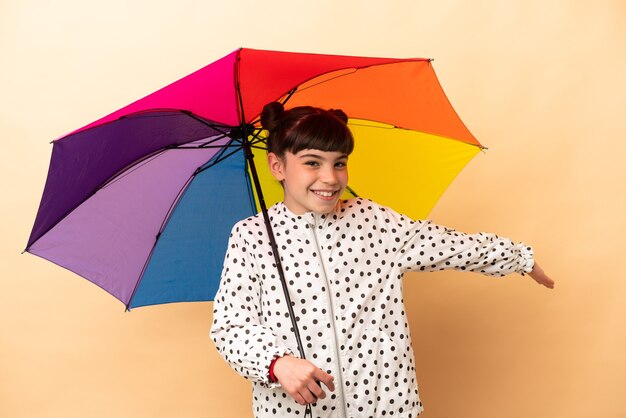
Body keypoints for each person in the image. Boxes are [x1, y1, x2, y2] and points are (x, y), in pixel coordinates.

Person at [210, 102, 554, 418]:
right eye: (312, 162)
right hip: (296, 411)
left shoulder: (374, 221)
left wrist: (519, 257)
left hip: (383, 406)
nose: (330, 178)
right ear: (277, 165)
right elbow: (230, 327)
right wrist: (277, 363)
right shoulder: (252, 236)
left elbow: (450, 245)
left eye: (339, 163)